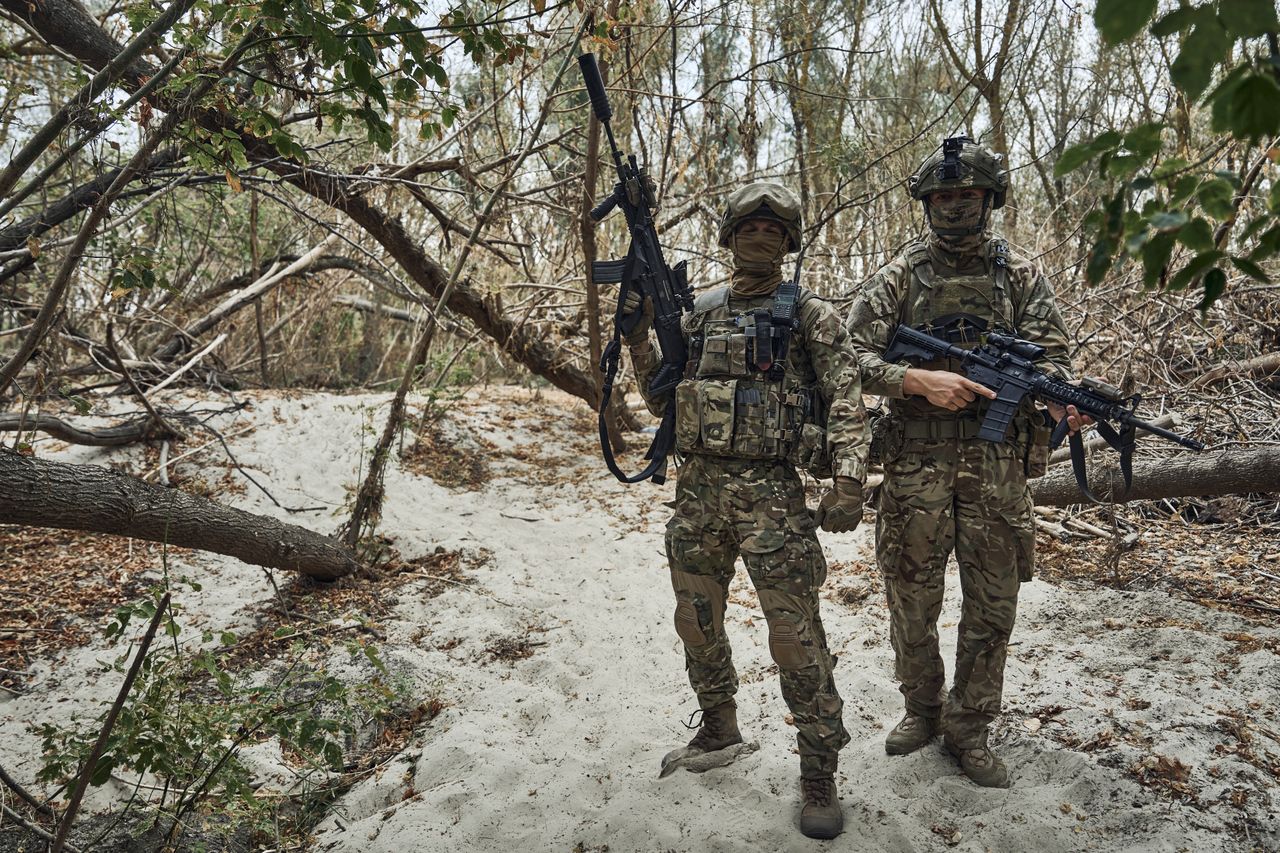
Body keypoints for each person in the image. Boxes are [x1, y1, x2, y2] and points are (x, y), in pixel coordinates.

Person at [622, 181, 869, 838]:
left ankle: (818, 771)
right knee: (695, 621)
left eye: (774, 229)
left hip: (773, 501)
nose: (761, 236)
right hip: (699, 494)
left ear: (787, 243)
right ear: (729, 236)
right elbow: (661, 402)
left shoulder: (809, 315)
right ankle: (718, 727)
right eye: (750, 227)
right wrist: (638, 337)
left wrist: (848, 479)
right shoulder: (698, 313)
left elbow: (847, 401)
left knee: (794, 639)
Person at [845, 137, 1085, 788]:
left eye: (967, 195)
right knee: (911, 599)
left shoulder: (1021, 276)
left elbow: (1057, 354)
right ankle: (922, 708)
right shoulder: (899, 275)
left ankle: (969, 726)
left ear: (989, 200)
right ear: (927, 202)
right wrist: (916, 381)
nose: (954, 207)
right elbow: (846, 359)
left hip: (996, 466)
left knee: (992, 605)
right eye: (943, 196)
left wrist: (1055, 396)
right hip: (916, 462)